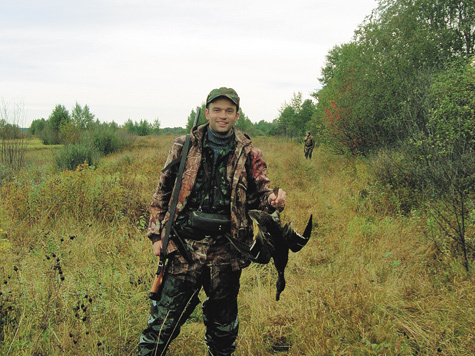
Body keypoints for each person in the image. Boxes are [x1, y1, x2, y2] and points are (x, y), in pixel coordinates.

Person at [138, 87, 287, 356]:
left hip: (228, 253)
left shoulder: (251, 153)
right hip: (184, 249)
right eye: (217, 110)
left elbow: (261, 197)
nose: (222, 115)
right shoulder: (183, 146)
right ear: (207, 113)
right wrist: (156, 236)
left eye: (229, 111)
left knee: (223, 330)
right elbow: (162, 192)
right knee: (160, 326)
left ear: (237, 115)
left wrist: (274, 200)